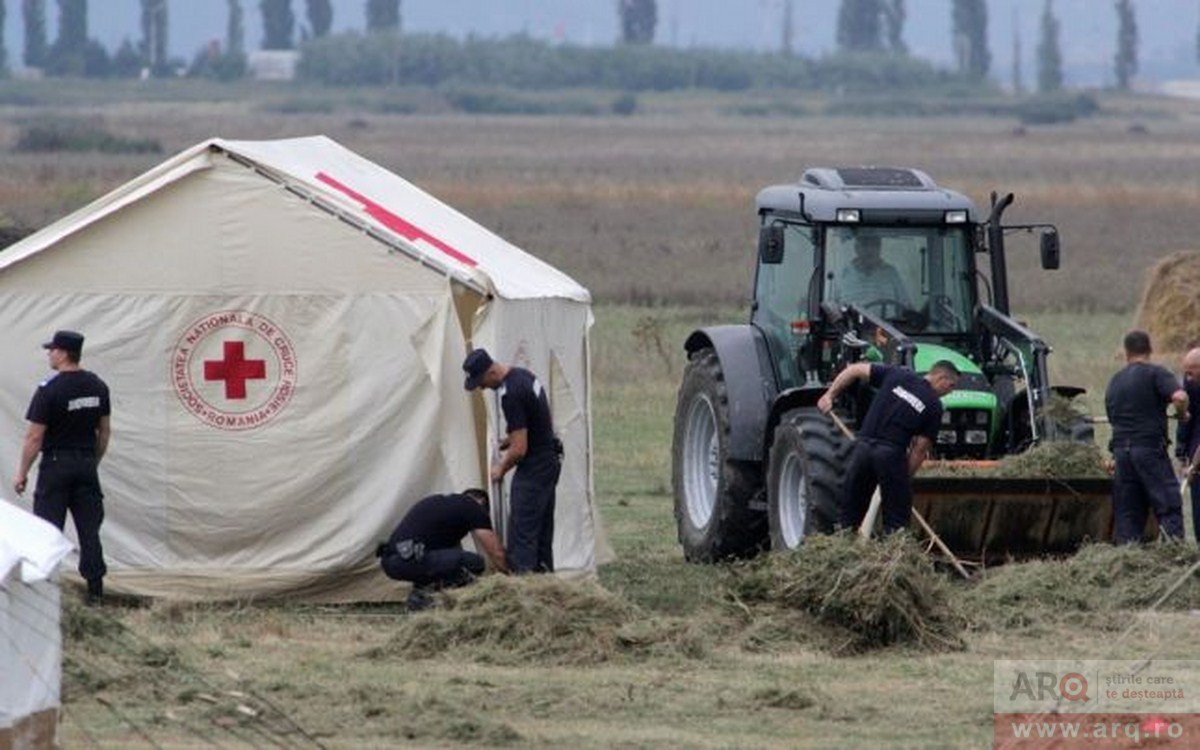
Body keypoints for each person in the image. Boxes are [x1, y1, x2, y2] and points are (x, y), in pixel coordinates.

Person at [13, 330, 112, 605]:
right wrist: (92, 462)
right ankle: (95, 594)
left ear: (63, 353)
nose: (49, 354)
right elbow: (104, 432)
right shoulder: (97, 386)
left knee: (46, 531)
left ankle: (44, 595)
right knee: (89, 531)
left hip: (56, 466)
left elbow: (34, 437)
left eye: (52, 350)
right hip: (85, 464)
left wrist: (22, 472)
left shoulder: (50, 389)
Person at [817, 360, 959, 534]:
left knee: (850, 512)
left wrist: (829, 395)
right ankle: (892, 553)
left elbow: (854, 369)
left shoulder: (897, 374)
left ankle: (844, 540)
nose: (950, 391)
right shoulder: (934, 406)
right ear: (941, 377)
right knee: (896, 521)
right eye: (951, 386)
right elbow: (920, 450)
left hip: (862, 449)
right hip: (890, 454)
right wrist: (903, 480)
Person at [463, 348, 562, 574]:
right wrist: (510, 438)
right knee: (542, 529)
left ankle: (523, 588)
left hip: (534, 467)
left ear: (490, 372)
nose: (482, 387)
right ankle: (545, 582)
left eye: (481, 381)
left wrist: (501, 468)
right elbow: (536, 422)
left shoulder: (510, 394)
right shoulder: (523, 376)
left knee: (522, 531)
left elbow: (520, 449)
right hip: (549, 460)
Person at [1105, 330, 1188, 544]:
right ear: (1149, 349)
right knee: (1168, 503)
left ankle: (1127, 561)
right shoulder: (1156, 373)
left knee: (1129, 514)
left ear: (1126, 352)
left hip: (1122, 453)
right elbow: (1179, 397)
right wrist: (1182, 414)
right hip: (1149, 450)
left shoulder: (1115, 381)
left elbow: (1113, 418)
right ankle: (1174, 554)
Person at [377, 488, 508, 611]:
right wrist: (510, 577)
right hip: (409, 560)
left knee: (446, 565)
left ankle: (421, 600)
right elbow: (496, 552)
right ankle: (447, 604)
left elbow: (452, 556)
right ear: (481, 503)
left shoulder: (444, 507)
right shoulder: (472, 506)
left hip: (391, 562)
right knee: (476, 563)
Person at [836, 234, 913, 312]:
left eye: (875, 245)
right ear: (856, 248)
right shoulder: (843, 274)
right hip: (852, 323)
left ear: (879, 248)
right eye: (865, 245)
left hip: (887, 323)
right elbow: (832, 309)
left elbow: (906, 306)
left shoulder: (891, 273)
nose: (870, 250)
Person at [1176, 347, 1200, 541]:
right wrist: (1182, 451)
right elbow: (1186, 418)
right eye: (1186, 372)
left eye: (1192, 371)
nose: (1188, 377)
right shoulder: (1190, 384)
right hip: (1196, 453)